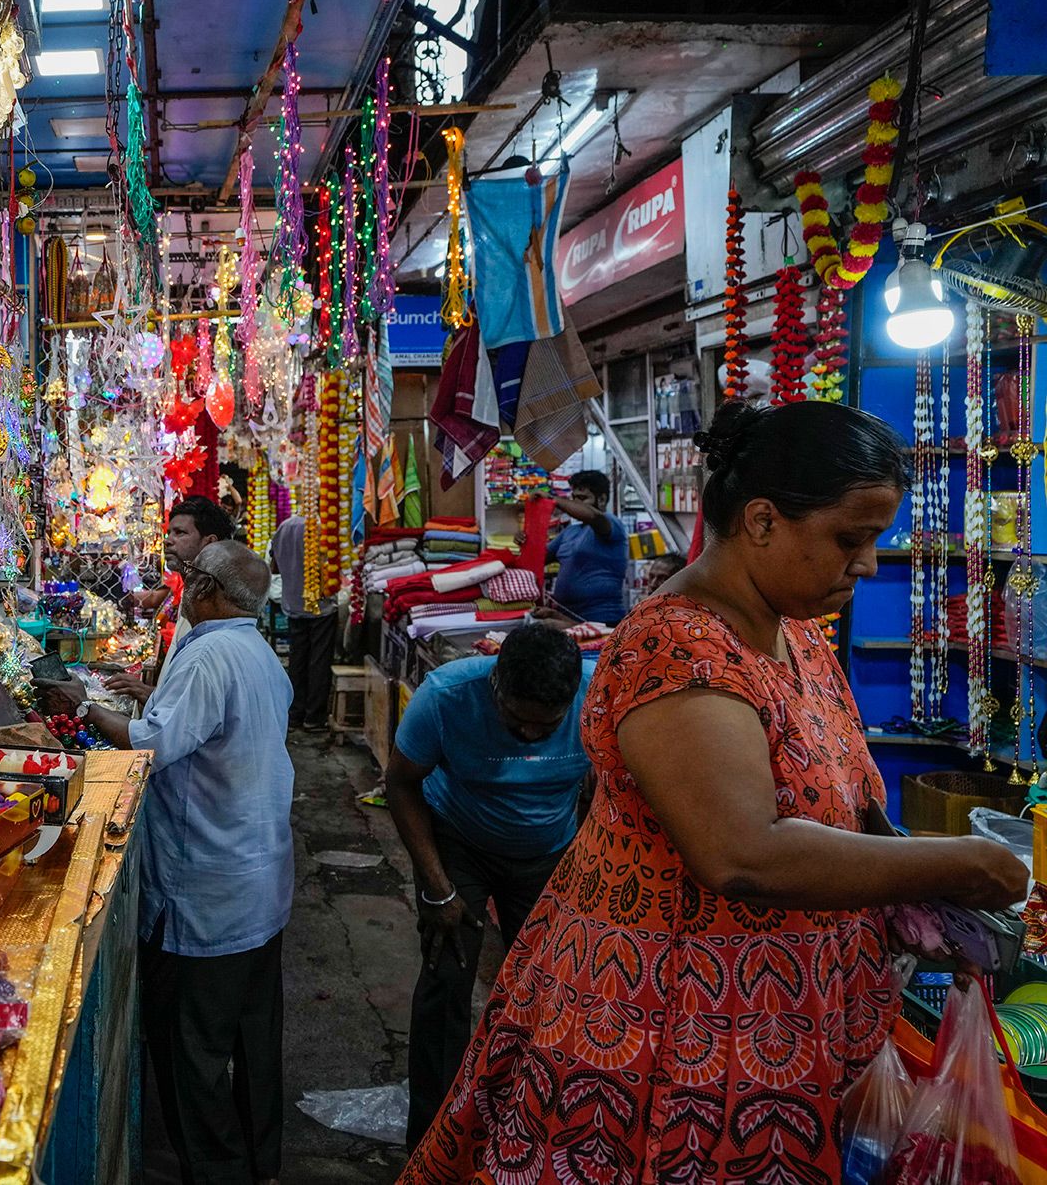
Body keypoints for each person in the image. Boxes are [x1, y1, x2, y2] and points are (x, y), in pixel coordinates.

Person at [402, 401, 1030, 1185]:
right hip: (663, 1047)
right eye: (849, 537)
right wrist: (953, 865)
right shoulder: (677, 647)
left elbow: (846, 802)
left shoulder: (793, 631)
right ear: (762, 521)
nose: (866, 564)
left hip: (774, 1043)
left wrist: (917, 902)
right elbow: (743, 852)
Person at [42, 541, 291, 1185]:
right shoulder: (256, 652)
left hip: (207, 885)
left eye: (186, 574)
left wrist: (79, 705)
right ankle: (259, 1163)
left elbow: (152, 742)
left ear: (204, 586)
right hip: (257, 879)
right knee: (252, 1039)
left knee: (194, 1051)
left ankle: (215, 1173)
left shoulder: (209, 653)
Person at [386, 622, 593, 1148]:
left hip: (549, 852)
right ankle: (431, 1144)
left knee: (551, 992)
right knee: (447, 982)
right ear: (496, 686)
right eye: (516, 722)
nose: (526, 737)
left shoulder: (600, 695)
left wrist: (586, 869)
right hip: (461, 844)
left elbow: (612, 784)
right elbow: (402, 783)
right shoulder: (448, 694)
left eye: (544, 727)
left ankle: (525, 1129)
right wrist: (438, 887)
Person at [109, 494, 235, 703]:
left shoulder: (215, 601)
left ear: (209, 542)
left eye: (180, 533)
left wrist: (149, 695)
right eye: (169, 533)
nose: (168, 541)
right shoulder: (191, 589)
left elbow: (199, 700)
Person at [272, 510, 333, 729]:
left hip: (293, 603)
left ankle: (295, 713)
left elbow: (274, 565)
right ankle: (314, 716)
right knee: (318, 660)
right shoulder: (323, 528)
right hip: (321, 606)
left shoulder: (284, 527)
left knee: (297, 658)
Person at [546, 468, 630, 624]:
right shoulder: (570, 532)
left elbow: (593, 516)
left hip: (602, 619)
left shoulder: (611, 524)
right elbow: (540, 557)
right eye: (574, 498)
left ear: (602, 499)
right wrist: (526, 540)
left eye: (583, 498)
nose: (576, 504)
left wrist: (555, 500)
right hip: (567, 617)